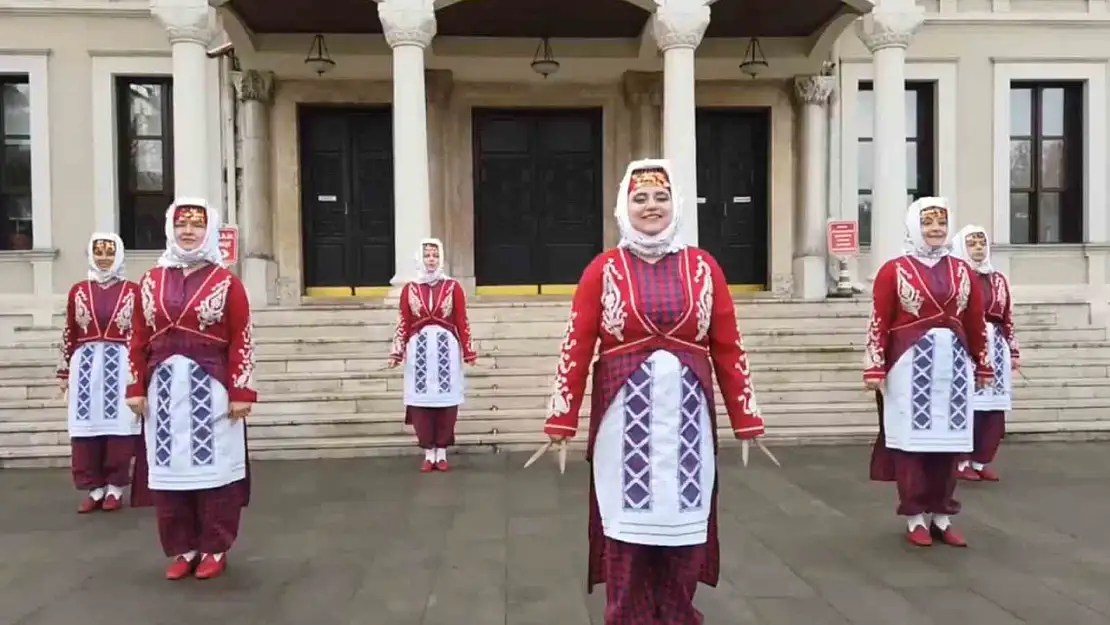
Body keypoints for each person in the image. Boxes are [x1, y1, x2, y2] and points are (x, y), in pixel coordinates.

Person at [541, 159, 765, 624]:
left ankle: (679, 613)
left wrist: (746, 418)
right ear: (625, 206)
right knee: (628, 533)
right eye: (640, 198)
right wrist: (562, 418)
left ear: (676, 205)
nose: (651, 206)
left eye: (660, 197)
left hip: (688, 421)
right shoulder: (602, 270)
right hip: (624, 422)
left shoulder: (704, 268)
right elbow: (577, 344)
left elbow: (727, 345)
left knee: (684, 529)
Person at [126, 198, 256, 581]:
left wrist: (241, 391)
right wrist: (136, 386)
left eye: (196, 226)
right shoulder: (151, 280)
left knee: (214, 474)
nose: (188, 232)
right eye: (181, 224)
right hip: (162, 393)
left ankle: (214, 547)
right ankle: (182, 549)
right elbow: (137, 336)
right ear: (170, 228)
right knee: (168, 474)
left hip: (211, 389)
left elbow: (242, 337)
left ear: (209, 231)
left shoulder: (227, 283)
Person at [866, 197, 992, 548]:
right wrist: (875, 366)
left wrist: (983, 362)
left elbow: (975, 319)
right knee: (912, 443)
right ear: (913, 226)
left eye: (941, 222)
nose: (935, 229)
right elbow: (879, 318)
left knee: (950, 443)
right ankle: (915, 517)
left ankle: (942, 514)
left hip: (953, 365)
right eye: (927, 223)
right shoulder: (895, 269)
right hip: (908, 366)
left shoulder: (961, 270)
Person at [57, 233, 141, 513]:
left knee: (119, 426)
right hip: (86, 366)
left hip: (121, 365)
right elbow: (70, 330)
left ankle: (115, 488)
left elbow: (142, 332)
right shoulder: (79, 290)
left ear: (118, 255)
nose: (103, 258)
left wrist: (142, 371)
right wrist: (64, 371)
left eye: (109, 252)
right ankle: (94, 488)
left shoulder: (133, 290)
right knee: (87, 429)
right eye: (98, 253)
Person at [388, 238, 477, 472]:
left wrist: (469, 351)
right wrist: (397, 351)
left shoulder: (453, 287)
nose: (431, 260)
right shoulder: (410, 288)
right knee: (421, 403)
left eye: (435, 256)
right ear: (420, 258)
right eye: (427, 256)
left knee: (446, 402)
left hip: (446, 349)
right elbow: (403, 321)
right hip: (418, 351)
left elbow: (461, 320)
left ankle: (442, 451)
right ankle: (429, 452)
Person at [951, 225, 1019, 482]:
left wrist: (1013, 350)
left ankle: (981, 460)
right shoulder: (958, 278)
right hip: (969, 346)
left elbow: (1007, 315)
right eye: (972, 243)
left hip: (997, 346)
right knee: (969, 405)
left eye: (982, 243)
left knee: (994, 408)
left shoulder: (998, 279)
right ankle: (961, 461)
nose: (978, 248)